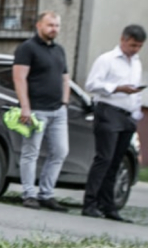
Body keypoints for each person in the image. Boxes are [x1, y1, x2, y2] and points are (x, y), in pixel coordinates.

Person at [81, 24, 144, 222]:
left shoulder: (136, 63)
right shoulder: (107, 59)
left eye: (139, 46)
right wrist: (117, 88)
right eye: (133, 45)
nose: (135, 49)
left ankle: (108, 205)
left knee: (117, 161)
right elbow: (91, 84)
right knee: (104, 158)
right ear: (123, 39)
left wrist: (136, 111)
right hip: (108, 111)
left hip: (127, 115)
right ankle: (89, 203)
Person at [12, 11, 71, 212]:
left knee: (60, 151)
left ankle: (47, 194)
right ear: (39, 25)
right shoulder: (27, 48)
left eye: (57, 25)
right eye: (50, 25)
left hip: (58, 112)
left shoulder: (59, 50)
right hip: (36, 110)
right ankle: (29, 194)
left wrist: (64, 101)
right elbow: (19, 78)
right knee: (31, 152)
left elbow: (65, 78)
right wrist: (25, 107)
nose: (54, 29)